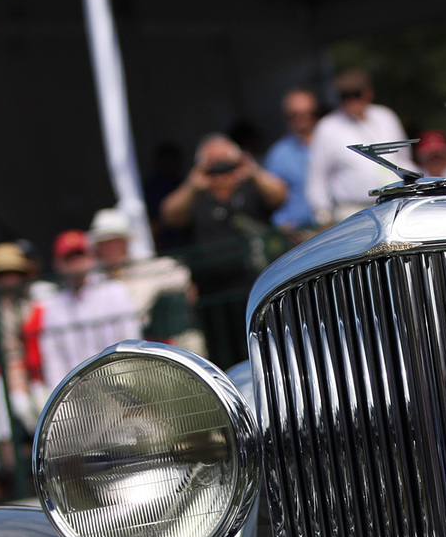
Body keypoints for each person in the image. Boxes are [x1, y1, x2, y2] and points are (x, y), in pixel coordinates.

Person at [160, 134, 286, 365]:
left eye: (226, 163)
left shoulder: (251, 186)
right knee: (227, 360)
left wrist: (251, 171)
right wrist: (194, 183)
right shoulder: (197, 195)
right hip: (214, 295)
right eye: (214, 166)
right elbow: (170, 214)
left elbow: (279, 194)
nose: (221, 172)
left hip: (257, 287)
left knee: (268, 352)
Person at [0, 241, 45, 504]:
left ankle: (43, 462)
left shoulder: (37, 307)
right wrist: (7, 375)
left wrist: (22, 374)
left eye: (11, 272)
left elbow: (40, 353)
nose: (7, 280)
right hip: (2, 379)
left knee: (25, 403)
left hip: (35, 378)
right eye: (0, 275)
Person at [88, 207, 204, 355]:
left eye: (116, 241)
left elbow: (179, 273)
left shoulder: (143, 268)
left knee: (192, 341)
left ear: (125, 243)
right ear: (98, 248)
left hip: (149, 342)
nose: (111, 248)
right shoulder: (92, 281)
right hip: (109, 347)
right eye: (105, 243)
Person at [305, 69, 411, 226]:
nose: (350, 101)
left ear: (368, 93)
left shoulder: (386, 116)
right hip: (352, 213)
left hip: (395, 205)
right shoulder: (327, 127)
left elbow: (405, 159)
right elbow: (317, 178)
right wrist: (323, 217)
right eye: (344, 96)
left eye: (355, 94)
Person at [38, 229, 141, 389]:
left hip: (119, 383)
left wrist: (126, 382)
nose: (76, 263)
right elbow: (53, 360)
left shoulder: (115, 291)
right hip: (77, 393)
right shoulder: (53, 307)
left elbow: (131, 340)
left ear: (91, 257)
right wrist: (61, 395)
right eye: (69, 258)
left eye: (80, 255)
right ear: (58, 264)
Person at [264, 88, 319, 236]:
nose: (303, 119)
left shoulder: (330, 143)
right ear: (285, 118)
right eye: (294, 115)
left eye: (308, 113)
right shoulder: (278, 154)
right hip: (298, 234)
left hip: (333, 225)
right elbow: (272, 200)